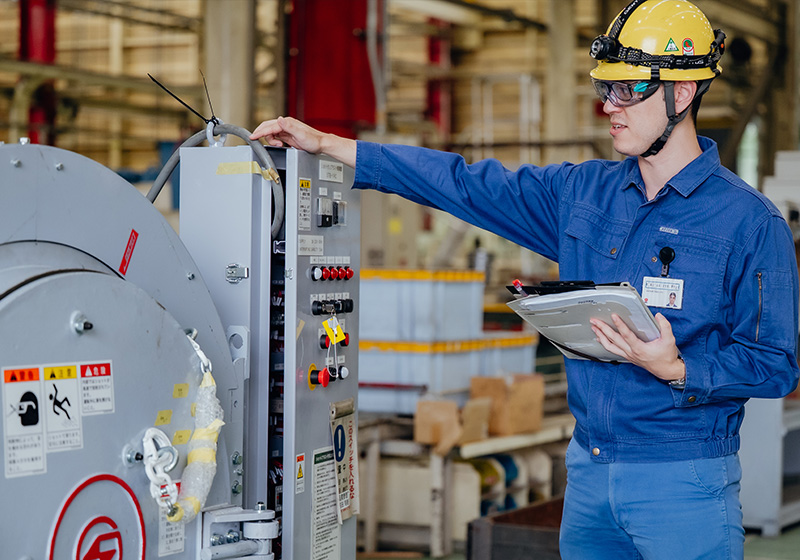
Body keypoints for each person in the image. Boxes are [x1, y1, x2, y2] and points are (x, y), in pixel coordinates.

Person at [251, 1, 799, 557]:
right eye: (605, 89)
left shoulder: (750, 223)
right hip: (588, 475)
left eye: (628, 89)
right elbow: (463, 184)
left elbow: (776, 364)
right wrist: (336, 148)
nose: (610, 106)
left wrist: (678, 368)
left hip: (683, 482)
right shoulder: (582, 194)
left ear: (681, 95)